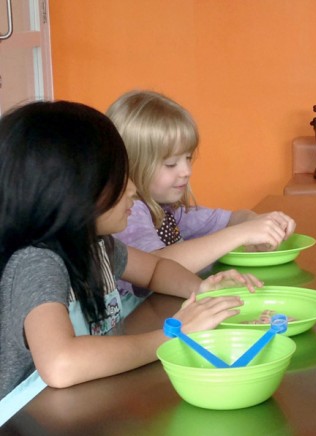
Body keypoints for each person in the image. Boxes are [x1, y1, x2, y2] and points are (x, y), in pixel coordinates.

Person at [0, 101, 262, 410]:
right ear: (70, 191)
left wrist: (200, 290)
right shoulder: (37, 263)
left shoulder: (98, 245)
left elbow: (156, 270)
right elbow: (61, 364)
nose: (134, 189)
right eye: (119, 177)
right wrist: (170, 336)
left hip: (88, 404)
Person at [106, 90, 297, 281]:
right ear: (132, 164)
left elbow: (230, 218)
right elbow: (156, 266)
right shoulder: (130, 214)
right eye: (171, 164)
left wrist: (259, 222)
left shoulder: (168, 210)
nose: (186, 170)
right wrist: (241, 234)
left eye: (188, 158)